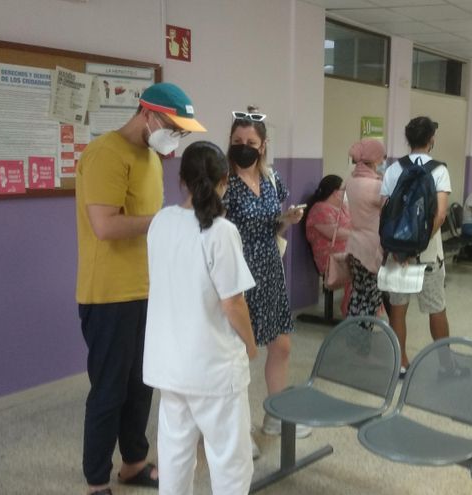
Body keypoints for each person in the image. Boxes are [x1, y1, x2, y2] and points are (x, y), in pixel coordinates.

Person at [75, 82, 206, 494]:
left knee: (141, 384)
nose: (176, 137)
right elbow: (105, 225)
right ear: (148, 115)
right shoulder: (105, 154)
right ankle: (96, 479)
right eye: (174, 128)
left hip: (146, 289)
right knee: (109, 389)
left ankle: (133, 463)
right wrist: (167, 220)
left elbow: (149, 224)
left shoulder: (150, 157)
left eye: (182, 132)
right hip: (109, 294)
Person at [144, 142, 257, 495]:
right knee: (230, 461)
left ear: (182, 180)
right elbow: (233, 303)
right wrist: (251, 345)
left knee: (174, 455)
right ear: (225, 181)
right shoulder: (220, 231)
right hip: (214, 367)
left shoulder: (161, 222)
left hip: (171, 366)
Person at [222, 108, 309, 439]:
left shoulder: (272, 179)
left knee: (281, 346)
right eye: (237, 141)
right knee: (238, 354)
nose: (243, 147)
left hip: (270, 271)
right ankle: (237, 432)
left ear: (263, 145)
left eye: (250, 142)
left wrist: (286, 219)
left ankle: (275, 416)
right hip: (237, 274)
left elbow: (271, 225)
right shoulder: (223, 182)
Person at [380, 116, 453, 376]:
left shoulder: (393, 169)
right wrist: (418, 246)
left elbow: (385, 211)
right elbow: (440, 215)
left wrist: (400, 248)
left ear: (408, 139)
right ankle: (446, 365)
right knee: (436, 309)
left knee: (398, 311)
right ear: (431, 140)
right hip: (428, 255)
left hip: (397, 254)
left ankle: (401, 364)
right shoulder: (439, 170)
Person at [345, 138, 386, 319]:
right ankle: (362, 332)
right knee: (371, 297)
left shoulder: (351, 181)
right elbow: (389, 212)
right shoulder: (377, 186)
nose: (383, 161)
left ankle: (352, 329)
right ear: (374, 158)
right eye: (382, 157)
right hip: (371, 248)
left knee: (358, 293)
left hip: (354, 245)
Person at [303, 175, 352, 314]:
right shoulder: (320, 209)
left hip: (346, 253)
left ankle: (362, 308)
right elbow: (334, 234)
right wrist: (358, 234)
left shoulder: (343, 207)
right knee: (363, 265)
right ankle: (353, 309)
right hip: (331, 259)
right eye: (343, 190)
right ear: (336, 192)